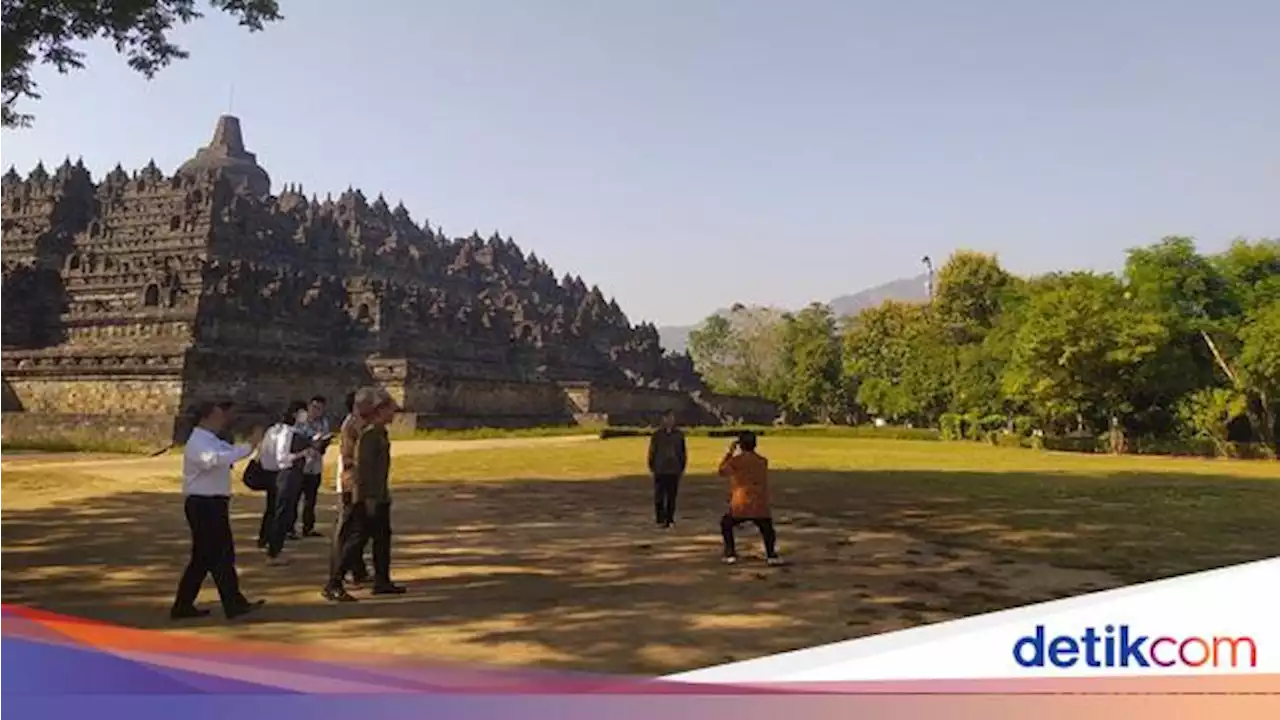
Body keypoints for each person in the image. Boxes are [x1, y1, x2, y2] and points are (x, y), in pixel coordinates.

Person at [170, 399, 266, 621]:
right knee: (218, 555)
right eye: (218, 415)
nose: (223, 419)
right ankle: (232, 603)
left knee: (205, 558)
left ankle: (185, 605)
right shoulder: (198, 442)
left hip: (212, 503)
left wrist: (247, 447)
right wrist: (249, 446)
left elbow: (228, 452)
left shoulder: (210, 440)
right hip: (204, 504)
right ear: (207, 418)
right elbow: (214, 460)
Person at [325, 390, 406, 601]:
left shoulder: (378, 431)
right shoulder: (367, 433)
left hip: (377, 494)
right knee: (356, 539)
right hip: (366, 495)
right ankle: (335, 581)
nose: (394, 413)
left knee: (381, 537)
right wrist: (367, 498)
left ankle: (382, 580)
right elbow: (363, 470)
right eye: (391, 409)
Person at [716, 431, 784, 566]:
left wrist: (729, 452)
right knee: (767, 529)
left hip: (741, 504)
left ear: (740, 445)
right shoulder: (762, 461)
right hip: (759, 503)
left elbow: (721, 471)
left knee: (726, 524)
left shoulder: (736, 461)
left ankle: (730, 553)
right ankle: (771, 554)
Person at [329, 388, 374, 588]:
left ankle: (357, 570)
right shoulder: (351, 426)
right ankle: (338, 575)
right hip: (350, 485)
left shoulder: (357, 424)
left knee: (358, 530)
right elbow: (349, 461)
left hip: (355, 484)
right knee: (348, 531)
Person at [264, 401, 318, 566]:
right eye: (303, 412)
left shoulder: (285, 430)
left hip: (290, 474)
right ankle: (274, 551)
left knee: (284, 512)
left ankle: (275, 548)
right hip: (287, 474)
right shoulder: (286, 432)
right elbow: (283, 457)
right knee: (281, 513)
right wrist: (302, 453)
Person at [293, 395, 332, 538]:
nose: (316, 411)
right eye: (314, 407)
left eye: (320, 409)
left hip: (315, 464)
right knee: (294, 498)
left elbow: (325, 440)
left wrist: (323, 443)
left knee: (311, 499)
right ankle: (290, 528)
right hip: (300, 464)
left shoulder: (323, 423)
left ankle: (308, 527)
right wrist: (310, 442)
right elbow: (295, 440)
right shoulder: (300, 421)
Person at [647, 409, 687, 528]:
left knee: (672, 496)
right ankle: (660, 518)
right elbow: (652, 451)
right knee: (659, 496)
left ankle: (670, 518)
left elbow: (682, 452)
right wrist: (652, 465)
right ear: (663, 419)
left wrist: (681, 466)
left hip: (674, 469)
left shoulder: (679, 435)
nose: (670, 420)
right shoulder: (657, 435)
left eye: (672, 418)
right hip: (660, 469)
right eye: (668, 418)